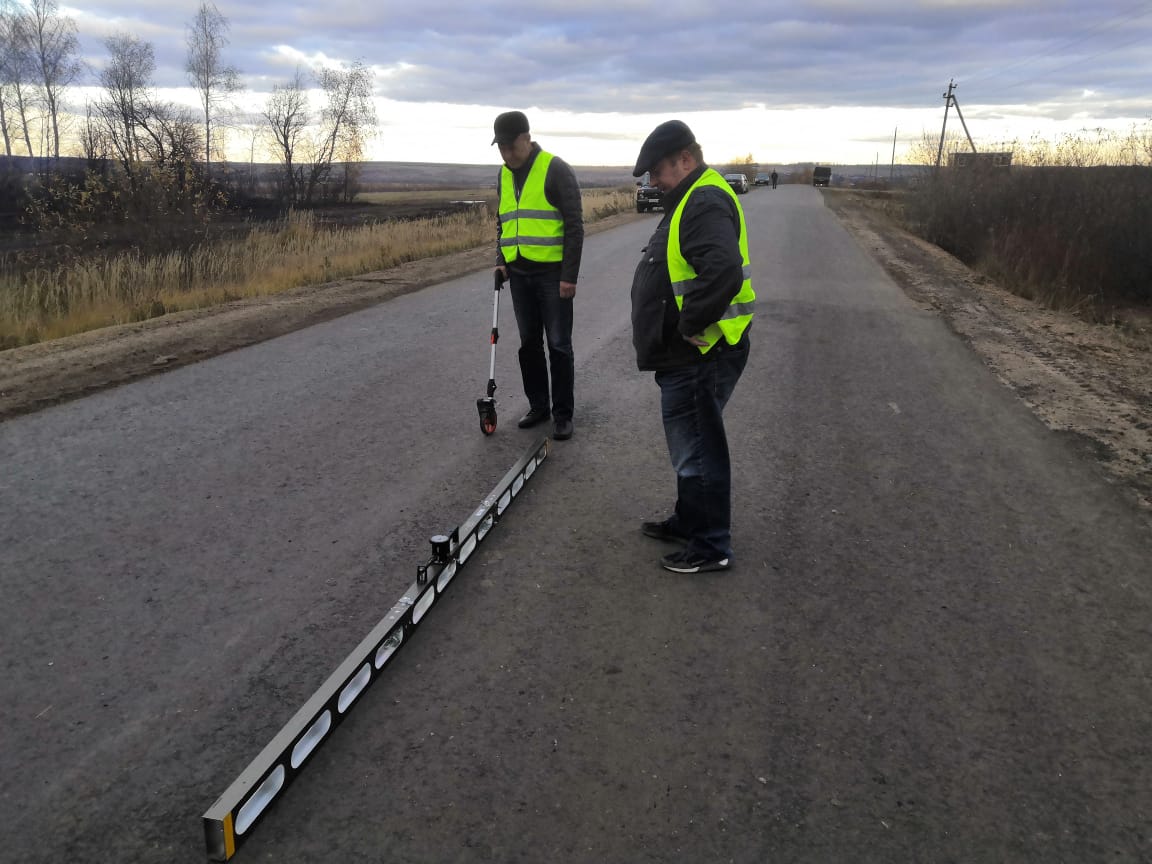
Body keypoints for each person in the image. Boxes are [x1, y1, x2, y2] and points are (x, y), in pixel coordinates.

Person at [629, 120, 755, 574]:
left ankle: (710, 546)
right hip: (691, 354)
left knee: (699, 449)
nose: (654, 182)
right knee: (690, 446)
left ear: (686, 158)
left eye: (659, 172)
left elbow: (723, 269)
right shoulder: (693, 195)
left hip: (702, 352)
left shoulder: (702, 200)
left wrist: (688, 323)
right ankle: (690, 521)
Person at [492, 110, 584, 441]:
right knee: (528, 345)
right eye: (500, 147)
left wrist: (569, 276)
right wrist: (502, 259)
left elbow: (574, 225)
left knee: (559, 345)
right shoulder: (503, 175)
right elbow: (504, 220)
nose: (506, 153)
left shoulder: (554, 169)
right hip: (519, 273)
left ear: (526, 139)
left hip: (552, 274)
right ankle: (538, 406)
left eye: (510, 146)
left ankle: (562, 414)